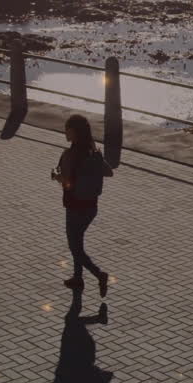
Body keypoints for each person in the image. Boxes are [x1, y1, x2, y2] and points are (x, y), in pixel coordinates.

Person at [51, 114, 114, 295]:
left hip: (74, 206)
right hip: (91, 207)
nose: (65, 133)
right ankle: (77, 278)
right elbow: (109, 172)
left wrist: (56, 176)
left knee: (75, 247)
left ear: (74, 132)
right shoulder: (92, 152)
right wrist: (96, 158)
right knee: (77, 242)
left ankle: (99, 274)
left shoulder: (70, 155)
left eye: (67, 130)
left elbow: (67, 183)